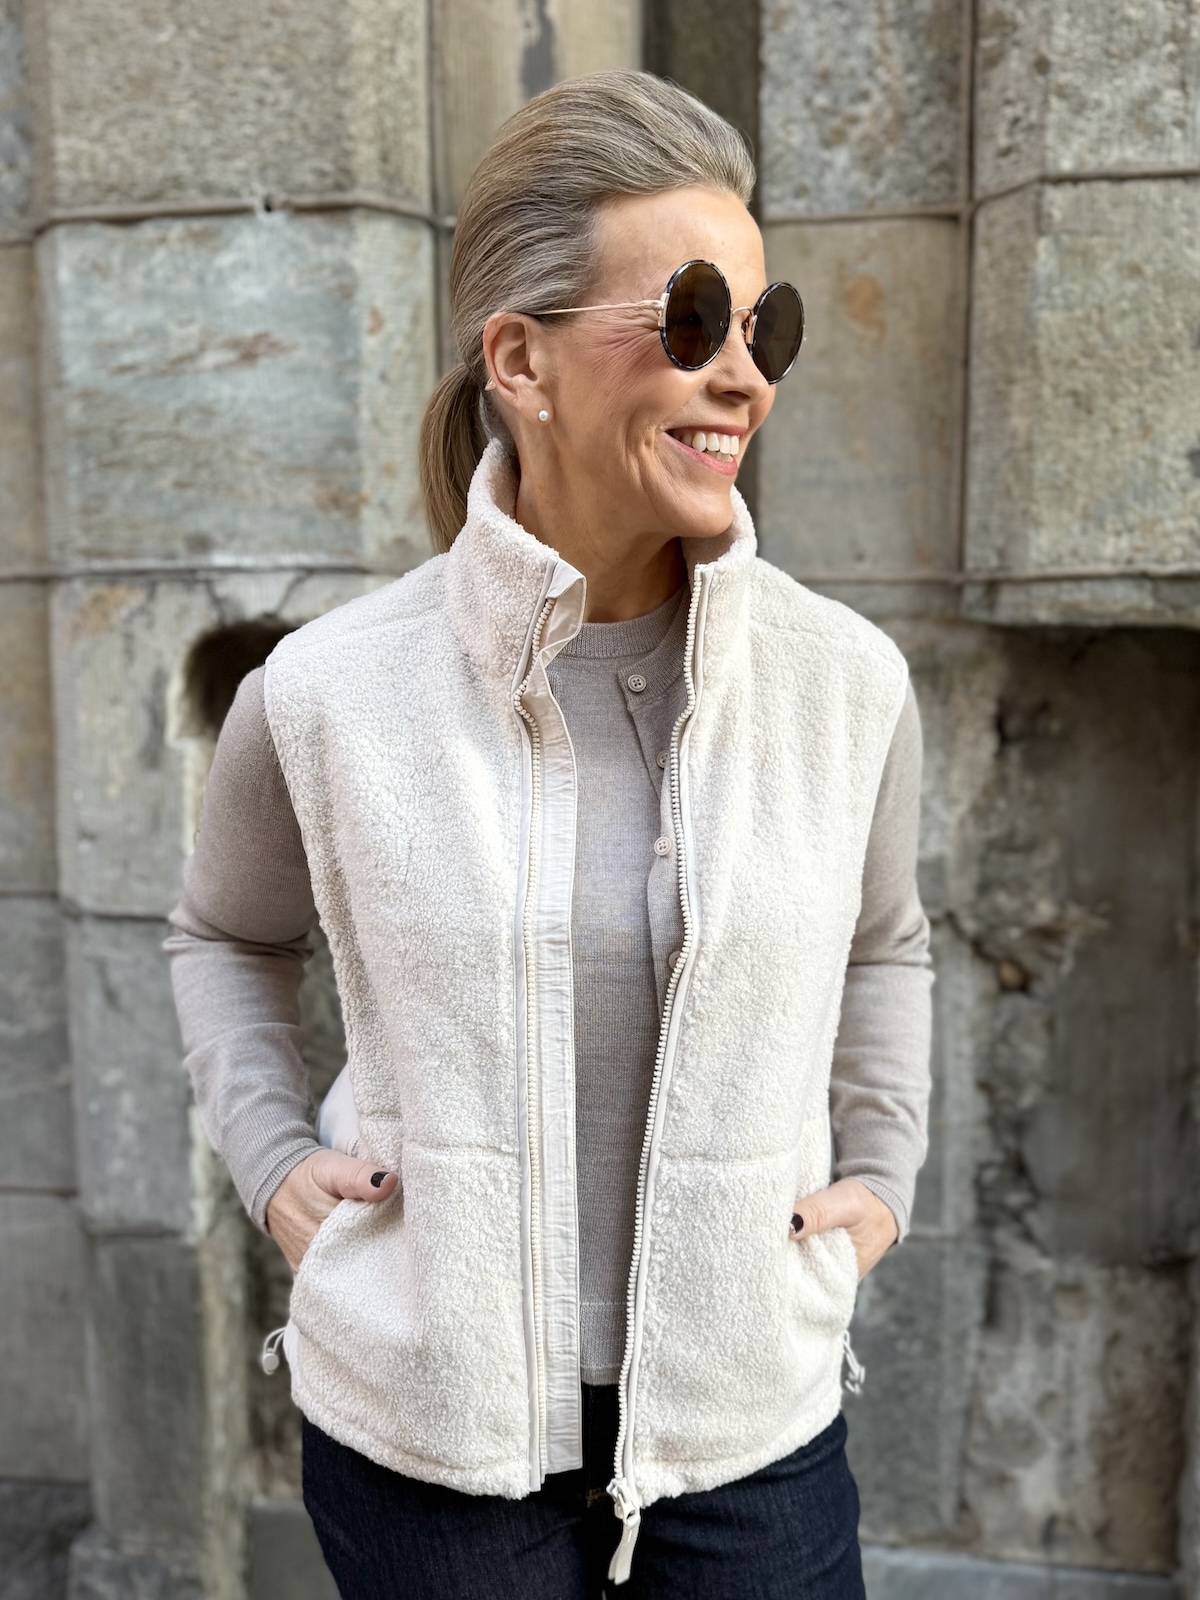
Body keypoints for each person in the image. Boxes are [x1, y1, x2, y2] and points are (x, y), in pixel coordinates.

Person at [164, 68, 934, 1600]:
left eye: (765, 330)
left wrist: (885, 1174)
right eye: (693, 320)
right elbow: (222, 934)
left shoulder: (846, 684)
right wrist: (271, 1160)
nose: (745, 378)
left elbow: (884, 942)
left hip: (751, 1431)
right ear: (520, 358)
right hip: (430, 1444)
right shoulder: (325, 694)